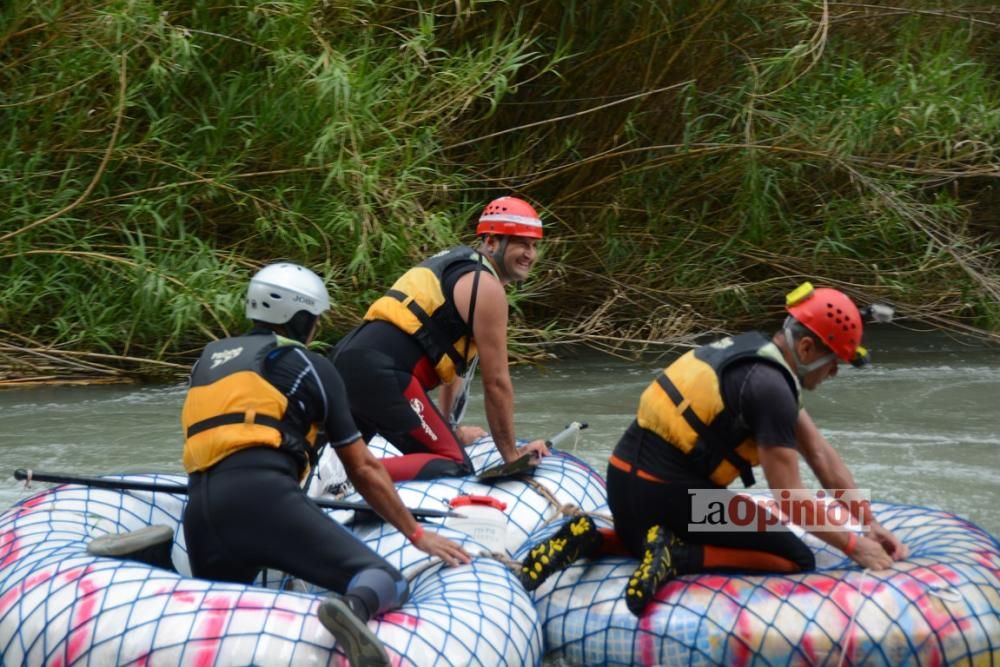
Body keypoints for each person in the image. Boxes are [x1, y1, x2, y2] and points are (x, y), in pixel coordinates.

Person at [519, 283, 909, 616]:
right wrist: (855, 546)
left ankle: (595, 538)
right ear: (806, 348)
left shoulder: (752, 355)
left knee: (680, 518)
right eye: (834, 363)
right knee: (796, 556)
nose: (834, 373)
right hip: (673, 499)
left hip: (622, 487)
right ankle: (680, 556)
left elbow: (821, 455)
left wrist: (867, 519)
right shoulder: (773, 391)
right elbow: (789, 499)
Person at [176, 262, 470, 665]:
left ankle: (157, 561)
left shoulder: (205, 364)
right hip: (265, 500)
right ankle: (350, 613)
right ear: (301, 318)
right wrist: (418, 536)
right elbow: (362, 468)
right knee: (384, 580)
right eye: (314, 318)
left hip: (200, 512)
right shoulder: (310, 366)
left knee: (228, 618)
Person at [331, 196, 550, 482]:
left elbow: (454, 369)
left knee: (333, 455)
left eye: (534, 245)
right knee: (453, 464)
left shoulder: (460, 267)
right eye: (521, 243)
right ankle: (349, 479)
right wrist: (511, 455)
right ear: (492, 242)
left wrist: (450, 430)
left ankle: (334, 478)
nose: (530, 254)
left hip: (346, 363)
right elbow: (496, 382)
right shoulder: (486, 288)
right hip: (382, 374)